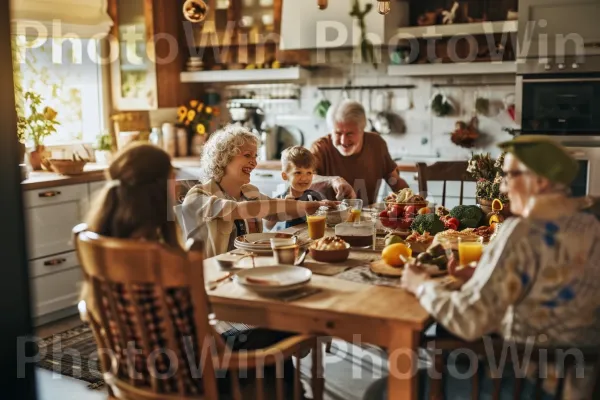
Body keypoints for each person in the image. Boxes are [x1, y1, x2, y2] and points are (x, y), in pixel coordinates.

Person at [364, 136, 600, 399]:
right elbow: (552, 280)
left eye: (510, 176)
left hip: (529, 382)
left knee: (380, 391)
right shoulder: (589, 225)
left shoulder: (522, 231)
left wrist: (422, 286)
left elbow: (469, 321)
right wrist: (487, 275)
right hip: (578, 380)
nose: (504, 188)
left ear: (541, 181)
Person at [80, 142, 309, 397]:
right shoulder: (166, 260)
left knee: (257, 340)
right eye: (171, 180)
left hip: (134, 377)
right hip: (187, 381)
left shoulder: (103, 249)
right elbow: (212, 349)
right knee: (278, 331)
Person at [179, 124, 336, 258]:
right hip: (212, 272)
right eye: (247, 155)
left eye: (255, 156)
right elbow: (237, 210)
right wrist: (306, 206)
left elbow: (276, 213)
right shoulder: (198, 196)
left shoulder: (249, 192)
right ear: (223, 158)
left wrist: (316, 206)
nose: (254, 162)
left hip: (248, 263)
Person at [309, 99, 409, 204]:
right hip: (327, 217)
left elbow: (394, 181)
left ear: (362, 129)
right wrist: (332, 180)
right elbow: (306, 179)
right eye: (338, 133)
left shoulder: (376, 144)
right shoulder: (320, 147)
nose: (344, 141)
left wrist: (411, 201)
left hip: (366, 216)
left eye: (350, 133)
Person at [268, 145, 324, 231]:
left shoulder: (315, 197)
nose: (304, 178)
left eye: (309, 173)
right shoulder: (280, 199)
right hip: (289, 241)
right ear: (285, 176)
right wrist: (282, 208)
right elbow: (268, 226)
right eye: (298, 172)